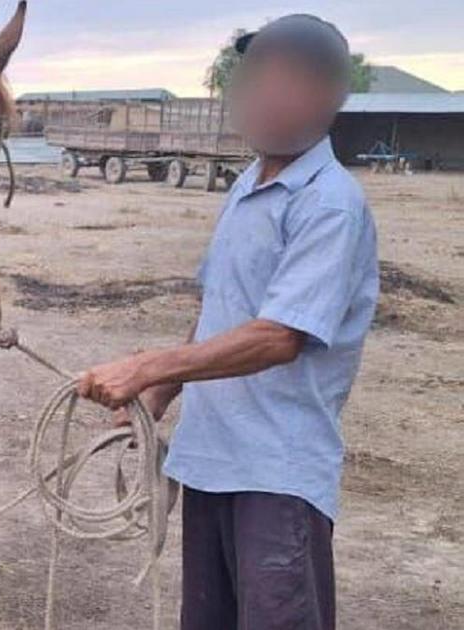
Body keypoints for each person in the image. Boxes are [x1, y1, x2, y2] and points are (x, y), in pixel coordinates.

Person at [77, 14, 379, 630]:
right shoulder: (248, 183)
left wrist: (145, 366)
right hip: (211, 459)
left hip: (276, 472)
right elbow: (224, 307)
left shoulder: (330, 203)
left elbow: (280, 335)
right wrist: (163, 390)